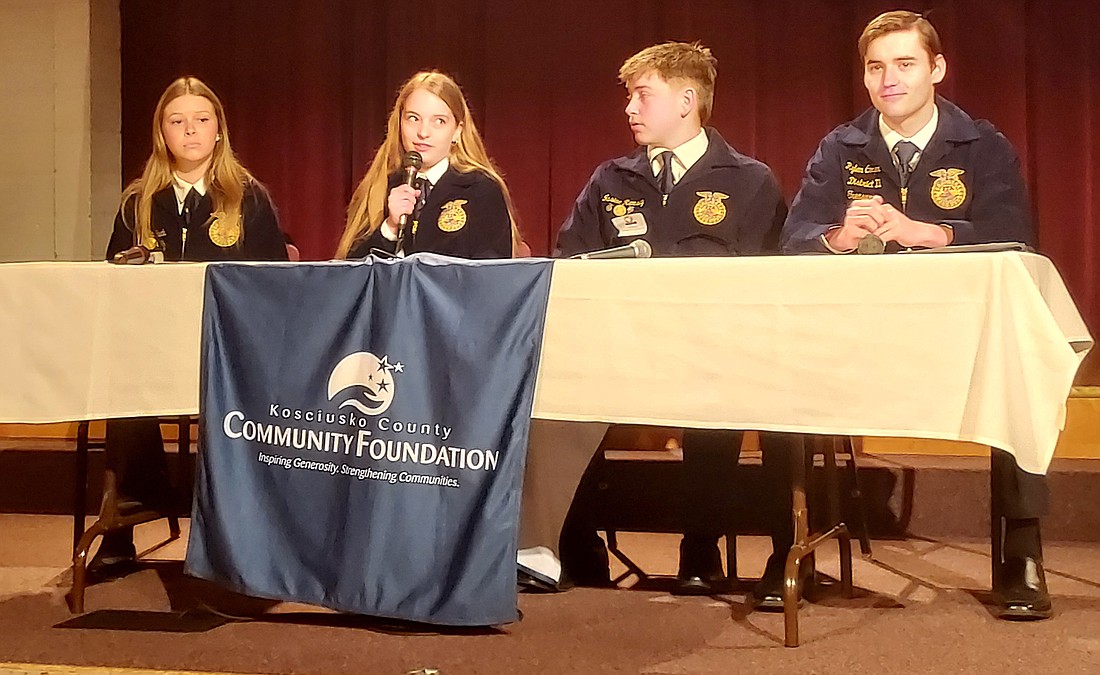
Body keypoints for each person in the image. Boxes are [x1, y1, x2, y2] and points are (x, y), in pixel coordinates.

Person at [782, 10, 1050, 619]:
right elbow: (791, 236)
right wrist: (836, 236)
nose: (889, 80)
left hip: (966, 331)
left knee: (1022, 367)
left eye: (905, 65)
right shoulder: (840, 145)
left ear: (937, 69)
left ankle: (1022, 556)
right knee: (781, 363)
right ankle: (789, 547)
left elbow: (1015, 236)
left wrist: (930, 233)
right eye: (876, 67)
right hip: (860, 333)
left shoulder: (982, 143)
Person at [555, 41, 792, 599]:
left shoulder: (748, 180)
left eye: (644, 95)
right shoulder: (611, 179)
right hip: (623, 349)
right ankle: (577, 549)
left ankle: (700, 547)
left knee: (719, 397)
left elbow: (776, 284)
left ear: (687, 100)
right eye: (630, 96)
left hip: (716, 351)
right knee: (559, 393)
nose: (629, 108)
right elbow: (570, 261)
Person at [90, 76, 288, 578]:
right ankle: (122, 526)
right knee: (122, 386)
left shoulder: (248, 198)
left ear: (219, 130)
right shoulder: (138, 201)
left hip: (226, 348)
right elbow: (112, 276)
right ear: (162, 134)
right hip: (153, 348)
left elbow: (273, 288)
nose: (190, 131)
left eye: (201, 120)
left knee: (237, 401)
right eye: (177, 122)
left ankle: (226, 532)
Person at [336, 71, 519, 260]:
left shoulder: (480, 189)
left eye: (439, 121)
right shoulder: (381, 185)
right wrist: (389, 228)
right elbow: (350, 275)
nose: (423, 132)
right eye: (413, 118)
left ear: (457, 131)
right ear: (399, 123)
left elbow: (492, 274)